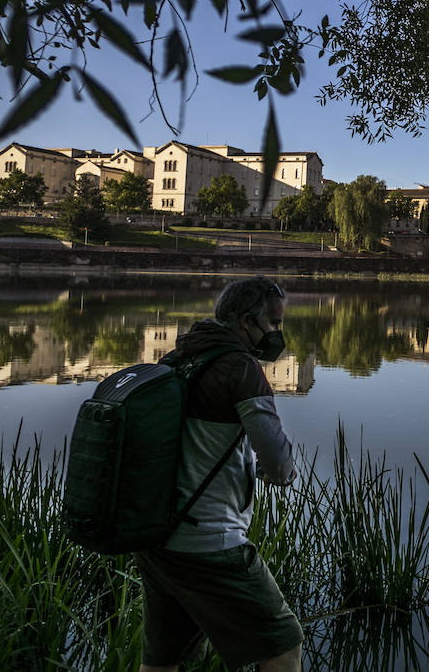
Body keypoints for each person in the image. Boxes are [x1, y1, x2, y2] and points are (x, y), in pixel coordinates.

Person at [135, 276, 302, 671]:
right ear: (247, 321)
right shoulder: (241, 369)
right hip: (209, 543)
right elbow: (279, 463)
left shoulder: (177, 359)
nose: (278, 333)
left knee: (162, 661)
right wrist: (271, 473)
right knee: (283, 645)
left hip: (158, 540)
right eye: (274, 324)